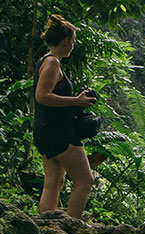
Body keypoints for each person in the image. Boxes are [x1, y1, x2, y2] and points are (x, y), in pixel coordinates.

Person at [33, 13, 98, 219]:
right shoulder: (52, 63)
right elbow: (42, 96)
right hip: (59, 132)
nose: (73, 46)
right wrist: (75, 101)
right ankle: (72, 228)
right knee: (85, 181)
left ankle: (48, 227)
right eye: (73, 41)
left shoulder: (45, 60)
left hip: (45, 130)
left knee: (54, 181)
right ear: (67, 41)